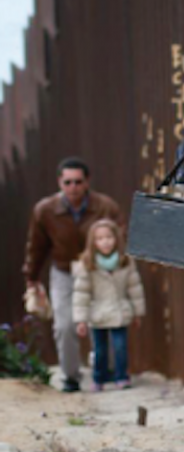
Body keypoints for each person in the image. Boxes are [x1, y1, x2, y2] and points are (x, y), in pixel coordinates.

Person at [22, 157, 124, 392]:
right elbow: (35, 247)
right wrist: (32, 278)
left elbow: (121, 236)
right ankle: (70, 376)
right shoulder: (45, 210)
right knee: (65, 325)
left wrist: (116, 266)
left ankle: (105, 371)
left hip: (98, 271)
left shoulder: (105, 206)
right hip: (63, 272)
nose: (73, 187)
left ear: (87, 182)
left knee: (105, 319)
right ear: (59, 182)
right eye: (67, 182)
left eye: (78, 182)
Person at [72, 219, 145, 391]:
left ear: (116, 238)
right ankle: (98, 379)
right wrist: (81, 320)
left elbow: (135, 288)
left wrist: (138, 313)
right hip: (98, 313)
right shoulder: (87, 263)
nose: (105, 242)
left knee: (120, 347)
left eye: (109, 237)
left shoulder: (125, 261)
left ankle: (122, 376)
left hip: (120, 312)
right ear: (93, 242)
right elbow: (81, 293)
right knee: (100, 350)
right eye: (100, 238)